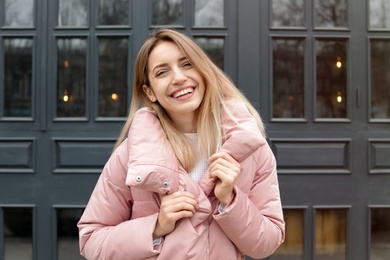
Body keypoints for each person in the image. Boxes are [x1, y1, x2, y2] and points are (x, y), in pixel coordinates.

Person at [78, 28, 285, 260]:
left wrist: (230, 200)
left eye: (187, 64)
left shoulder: (251, 151)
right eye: (162, 72)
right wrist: (156, 226)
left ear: (203, 72)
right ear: (150, 91)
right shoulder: (131, 156)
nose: (178, 78)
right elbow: (91, 240)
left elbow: (266, 244)